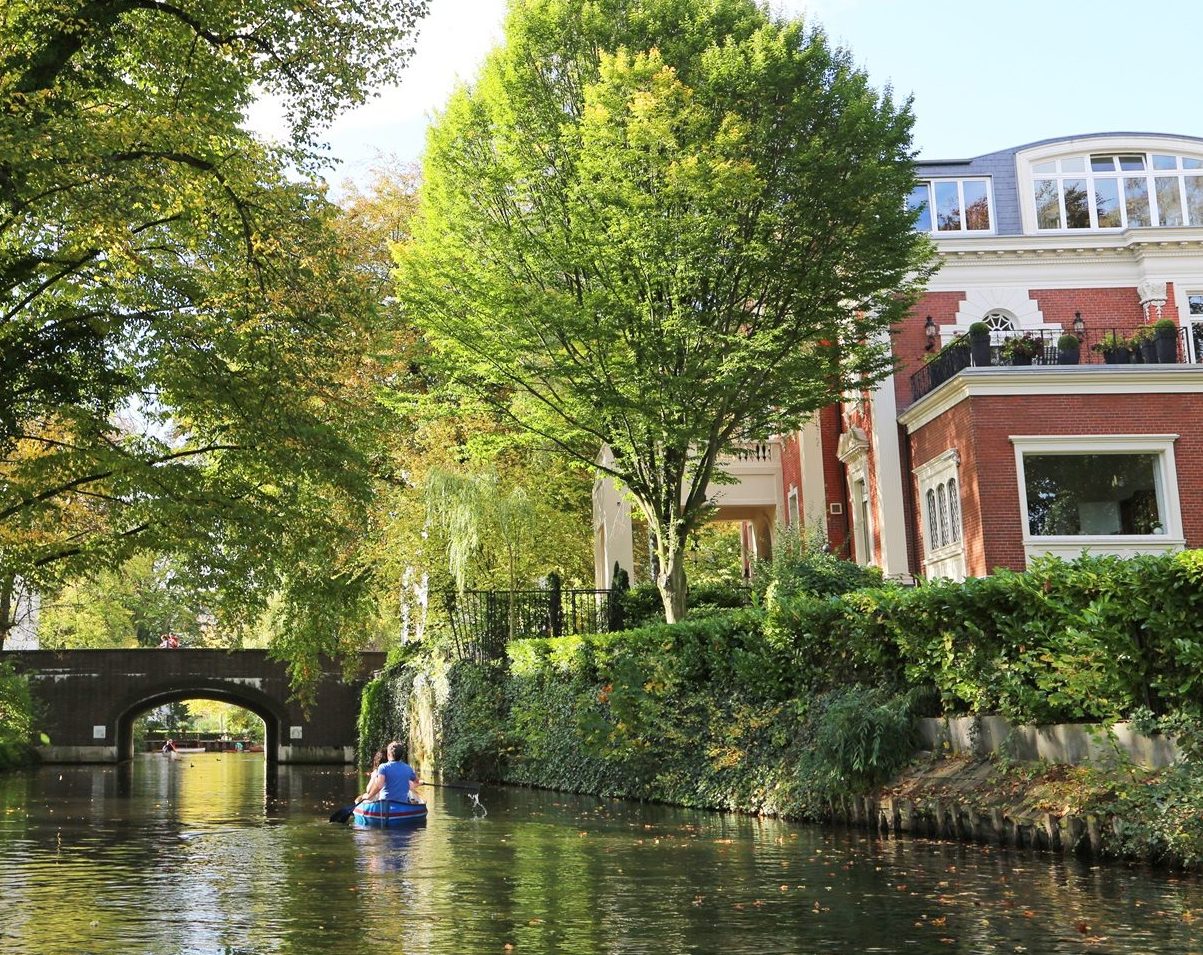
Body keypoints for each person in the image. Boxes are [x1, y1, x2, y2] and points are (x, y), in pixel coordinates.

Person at [357, 740, 422, 806]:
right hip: (402, 805)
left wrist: (369, 796)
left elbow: (379, 786)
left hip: (385, 805)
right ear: (401, 755)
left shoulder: (383, 767)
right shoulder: (408, 768)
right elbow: (417, 781)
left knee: (365, 797)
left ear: (388, 754)